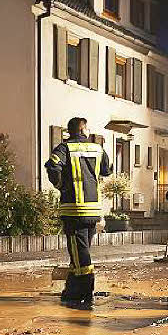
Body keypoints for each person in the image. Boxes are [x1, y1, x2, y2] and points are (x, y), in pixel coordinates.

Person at [45, 117, 112, 309]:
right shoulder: (97, 148)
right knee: (80, 251)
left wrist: (61, 186)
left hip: (74, 208)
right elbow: (107, 170)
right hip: (93, 208)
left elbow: (52, 166)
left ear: (70, 131)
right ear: (84, 130)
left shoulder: (64, 148)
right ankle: (72, 290)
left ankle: (84, 291)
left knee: (79, 253)